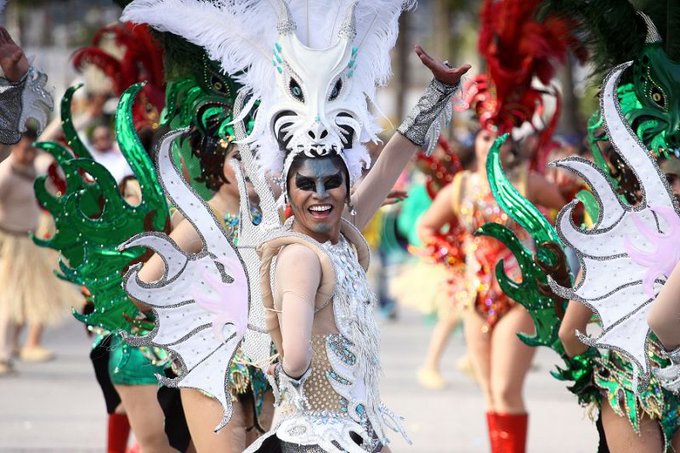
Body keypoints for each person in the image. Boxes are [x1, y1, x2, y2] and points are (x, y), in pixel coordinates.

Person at [418, 128, 564, 452]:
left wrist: (549, 254)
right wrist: (455, 263)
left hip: (521, 298)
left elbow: (571, 214)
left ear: (513, 143)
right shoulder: (463, 187)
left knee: (505, 388)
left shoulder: (529, 182)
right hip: (475, 297)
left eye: (502, 135)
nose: (493, 142)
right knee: (489, 392)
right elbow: (426, 227)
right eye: (485, 135)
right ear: (477, 142)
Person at [137, 138, 275, 452]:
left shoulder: (267, 220)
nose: (251, 166)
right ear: (215, 162)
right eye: (240, 156)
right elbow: (144, 289)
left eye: (259, 155)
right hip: (213, 368)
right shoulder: (201, 221)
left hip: (264, 365)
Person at [0, 130, 76, 375]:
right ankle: (2, 354)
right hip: (9, 245)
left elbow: (50, 140)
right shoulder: (5, 175)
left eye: (32, 149)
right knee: (9, 303)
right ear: (14, 148)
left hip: (29, 244)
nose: (29, 153)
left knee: (21, 303)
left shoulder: (36, 168)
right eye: (24, 149)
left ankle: (8, 351)